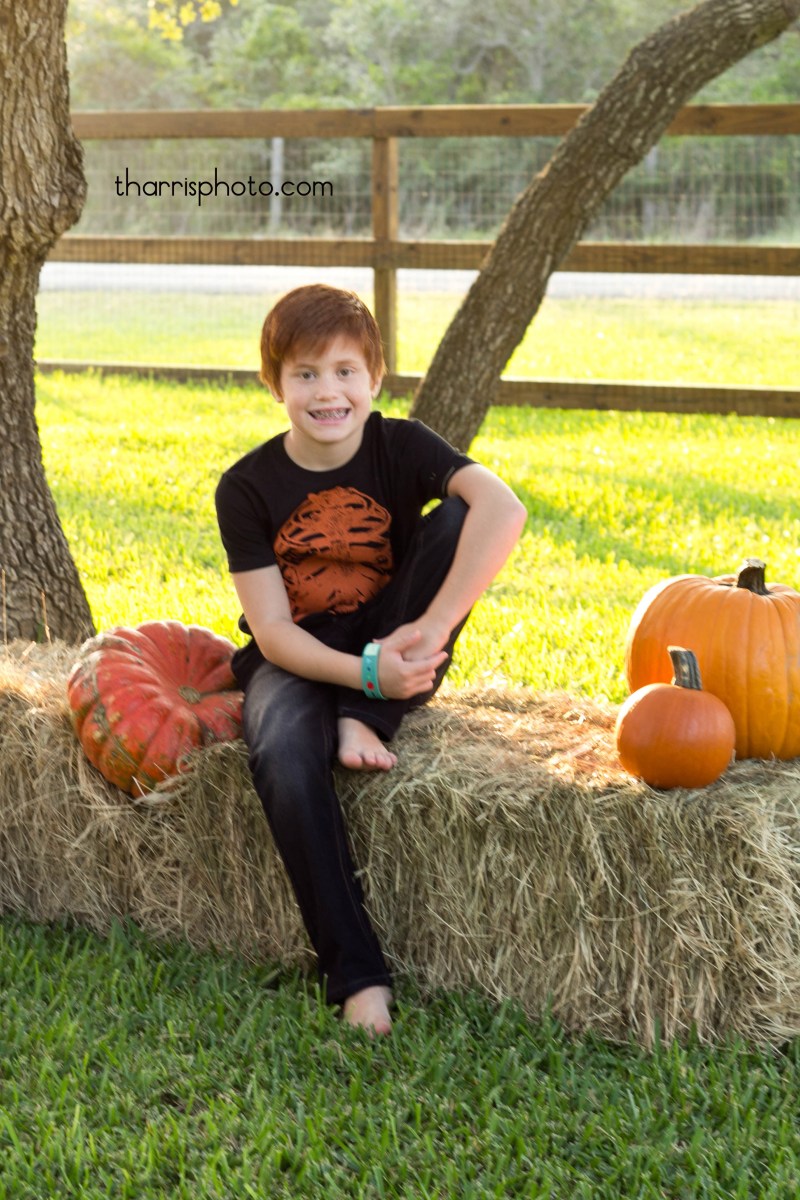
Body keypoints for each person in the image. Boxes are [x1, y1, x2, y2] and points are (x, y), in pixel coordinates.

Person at [215, 283, 526, 1035]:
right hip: (296, 656)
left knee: (460, 514)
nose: (329, 392)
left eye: (346, 371)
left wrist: (426, 632)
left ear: (376, 376)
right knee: (285, 756)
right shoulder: (246, 488)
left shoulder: (402, 445)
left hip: (399, 635)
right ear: (275, 383)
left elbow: (505, 510)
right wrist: (359, 673)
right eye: (306, 374)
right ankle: (357, 976)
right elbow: (275, 631)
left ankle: (365, 721)